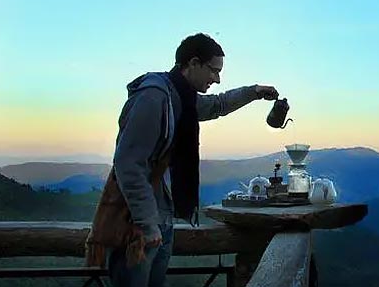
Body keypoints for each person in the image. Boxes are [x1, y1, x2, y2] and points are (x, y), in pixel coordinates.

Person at [84, 33, 279, 286]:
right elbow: (128, 164)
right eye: (213, 70)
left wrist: (253, 92)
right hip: (136, 226)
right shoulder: (153, 97)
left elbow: (217, 105)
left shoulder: (179, 97)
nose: (217, 79)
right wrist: (147, 224)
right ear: (194, 63)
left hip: (160, 218)